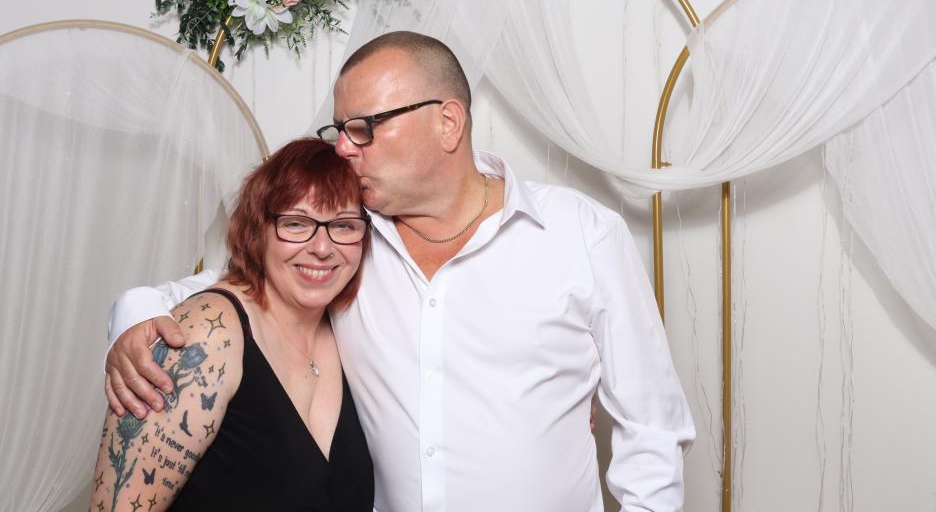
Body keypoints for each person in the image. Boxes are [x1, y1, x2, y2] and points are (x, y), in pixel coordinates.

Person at [106, 31, 695, 511]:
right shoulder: (345, 238)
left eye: (364, 127)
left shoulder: (582, 234)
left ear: (448, 123)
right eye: (340, 130)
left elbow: (652, 428)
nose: (344, 148)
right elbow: (233, 290)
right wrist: (136, 317)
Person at [91, 138, 375, 511]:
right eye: (295, 223)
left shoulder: (348, 329)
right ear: (258, 230)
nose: (322, 248)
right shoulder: (207, 337)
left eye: (343, 225)